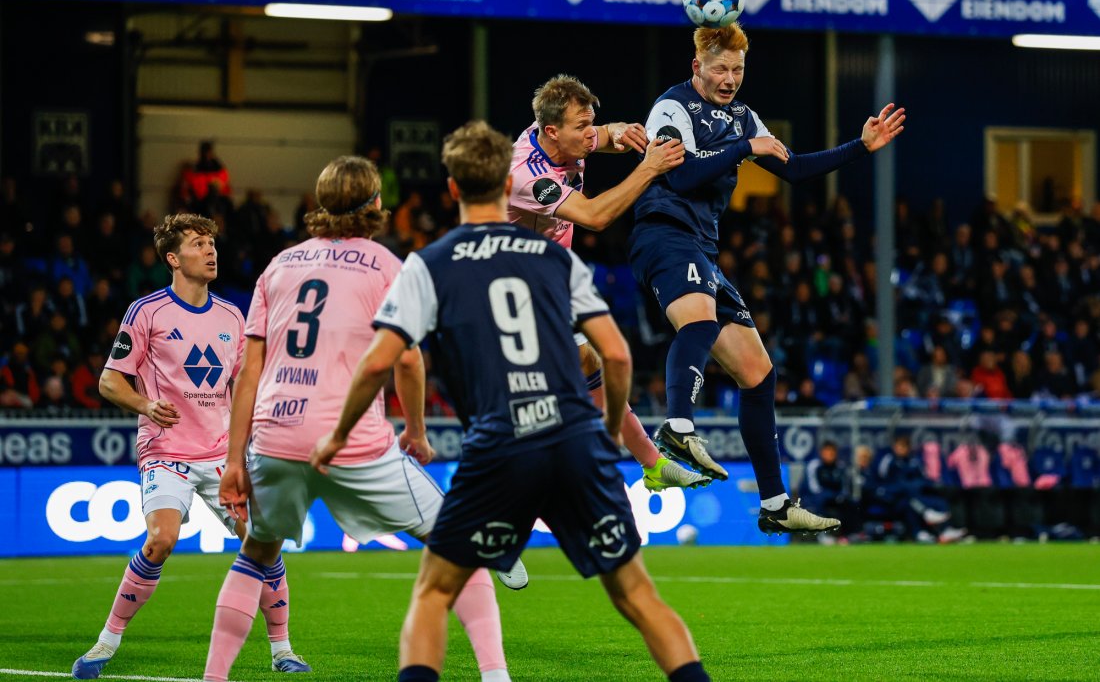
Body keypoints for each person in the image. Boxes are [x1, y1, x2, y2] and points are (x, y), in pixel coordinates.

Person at [311, 120, 711, 682]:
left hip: (498, 446)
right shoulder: (557, 260)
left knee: (433, 593)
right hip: (575, 442)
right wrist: (611, 428)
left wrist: (336, 435)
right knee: (638, 597)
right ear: (509, 181)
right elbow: (617, 357)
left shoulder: (428, 264)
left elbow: (382, 361)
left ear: (452, 188)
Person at [204, 156, 515, 682]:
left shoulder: (278, 266)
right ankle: (496, 675)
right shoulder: (389, 266)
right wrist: (415, 431)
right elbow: (409, 359)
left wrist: (235, 459)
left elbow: (247, 374)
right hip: (347, 439)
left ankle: (213, 678)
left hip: (274, 437)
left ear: (320, 204)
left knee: (256, 553)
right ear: (374, 205)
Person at [629, 23, 904, 534]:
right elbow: (683, 174)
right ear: (697, 67)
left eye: (737, 69)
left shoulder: (744, 117)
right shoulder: (671, 108)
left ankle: (775, 504)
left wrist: (860, 148)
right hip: (663, 234)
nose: (730, 78)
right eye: (720, 69)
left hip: (702, 248)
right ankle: (678, 426)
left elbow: (793, 168)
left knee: (758, 371)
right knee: (700, 320)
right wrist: (742, 148)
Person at [72, 213, 306, 679]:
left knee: (262, 543)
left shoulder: (231, 316)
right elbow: (109, 381)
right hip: (166, 449)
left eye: (212, 243)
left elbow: (244, 385)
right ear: (173, 258)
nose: (211, 251)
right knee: (161, 539)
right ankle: (105, 642)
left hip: (220, 453)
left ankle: (283, 650)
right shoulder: (147, 312)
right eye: (199, 244)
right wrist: (146, 404)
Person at [507, 74, 705, 492]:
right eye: (582, 127)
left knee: (589, 363)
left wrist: (622, 132)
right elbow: (596, 217)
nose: (588, 134)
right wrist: (649, 168)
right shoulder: (528, 174)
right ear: (551, 131)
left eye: (588, 122)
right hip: (511, 289)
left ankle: (651, 464)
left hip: (548, 281)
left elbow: (607, 136)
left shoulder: (566, 136)